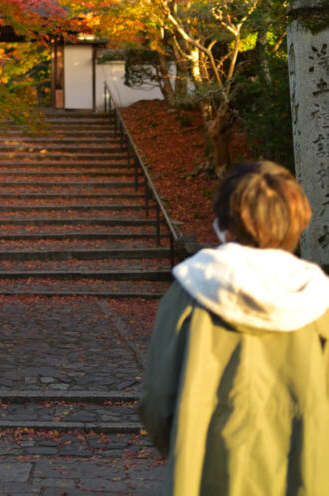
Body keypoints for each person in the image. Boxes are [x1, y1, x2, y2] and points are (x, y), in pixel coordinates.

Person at [137, 160, 329, 495]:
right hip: (307, 473)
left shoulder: (189, 293)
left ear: (223, 223)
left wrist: (186, 448)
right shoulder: (319, 303)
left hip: (205, 472)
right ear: (297, 223)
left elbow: (157, 401)